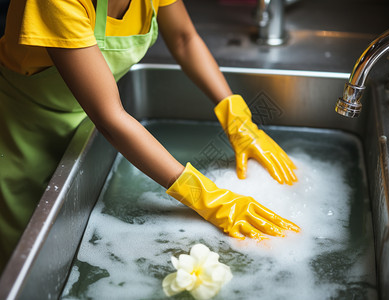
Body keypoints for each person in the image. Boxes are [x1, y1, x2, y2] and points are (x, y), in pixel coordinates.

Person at [0, 0, 300, 274]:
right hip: (24, 136)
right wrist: (207, 198)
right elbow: (110, 118)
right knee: (30, 263)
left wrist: (238, 120)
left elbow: (185, 39)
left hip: (88, 125)